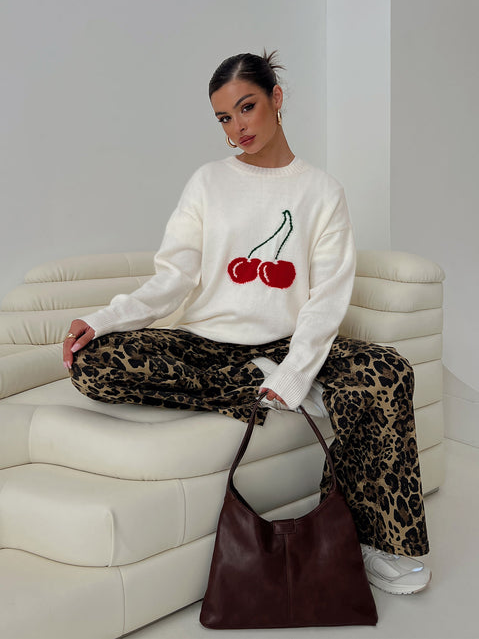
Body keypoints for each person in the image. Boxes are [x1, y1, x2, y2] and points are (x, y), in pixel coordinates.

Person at [63, 51, 431, 595]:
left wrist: (296, 368)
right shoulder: (208, 182)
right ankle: (261, 384)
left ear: (276, 99)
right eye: (224, 118)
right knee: (94, 363)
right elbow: (172, 278)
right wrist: (104, 318)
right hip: (207, 345)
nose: (237, 128)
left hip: (286, 343)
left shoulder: (322, 192)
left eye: (246, 107)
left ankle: (374, 537)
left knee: (389, 371)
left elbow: (327, 298)